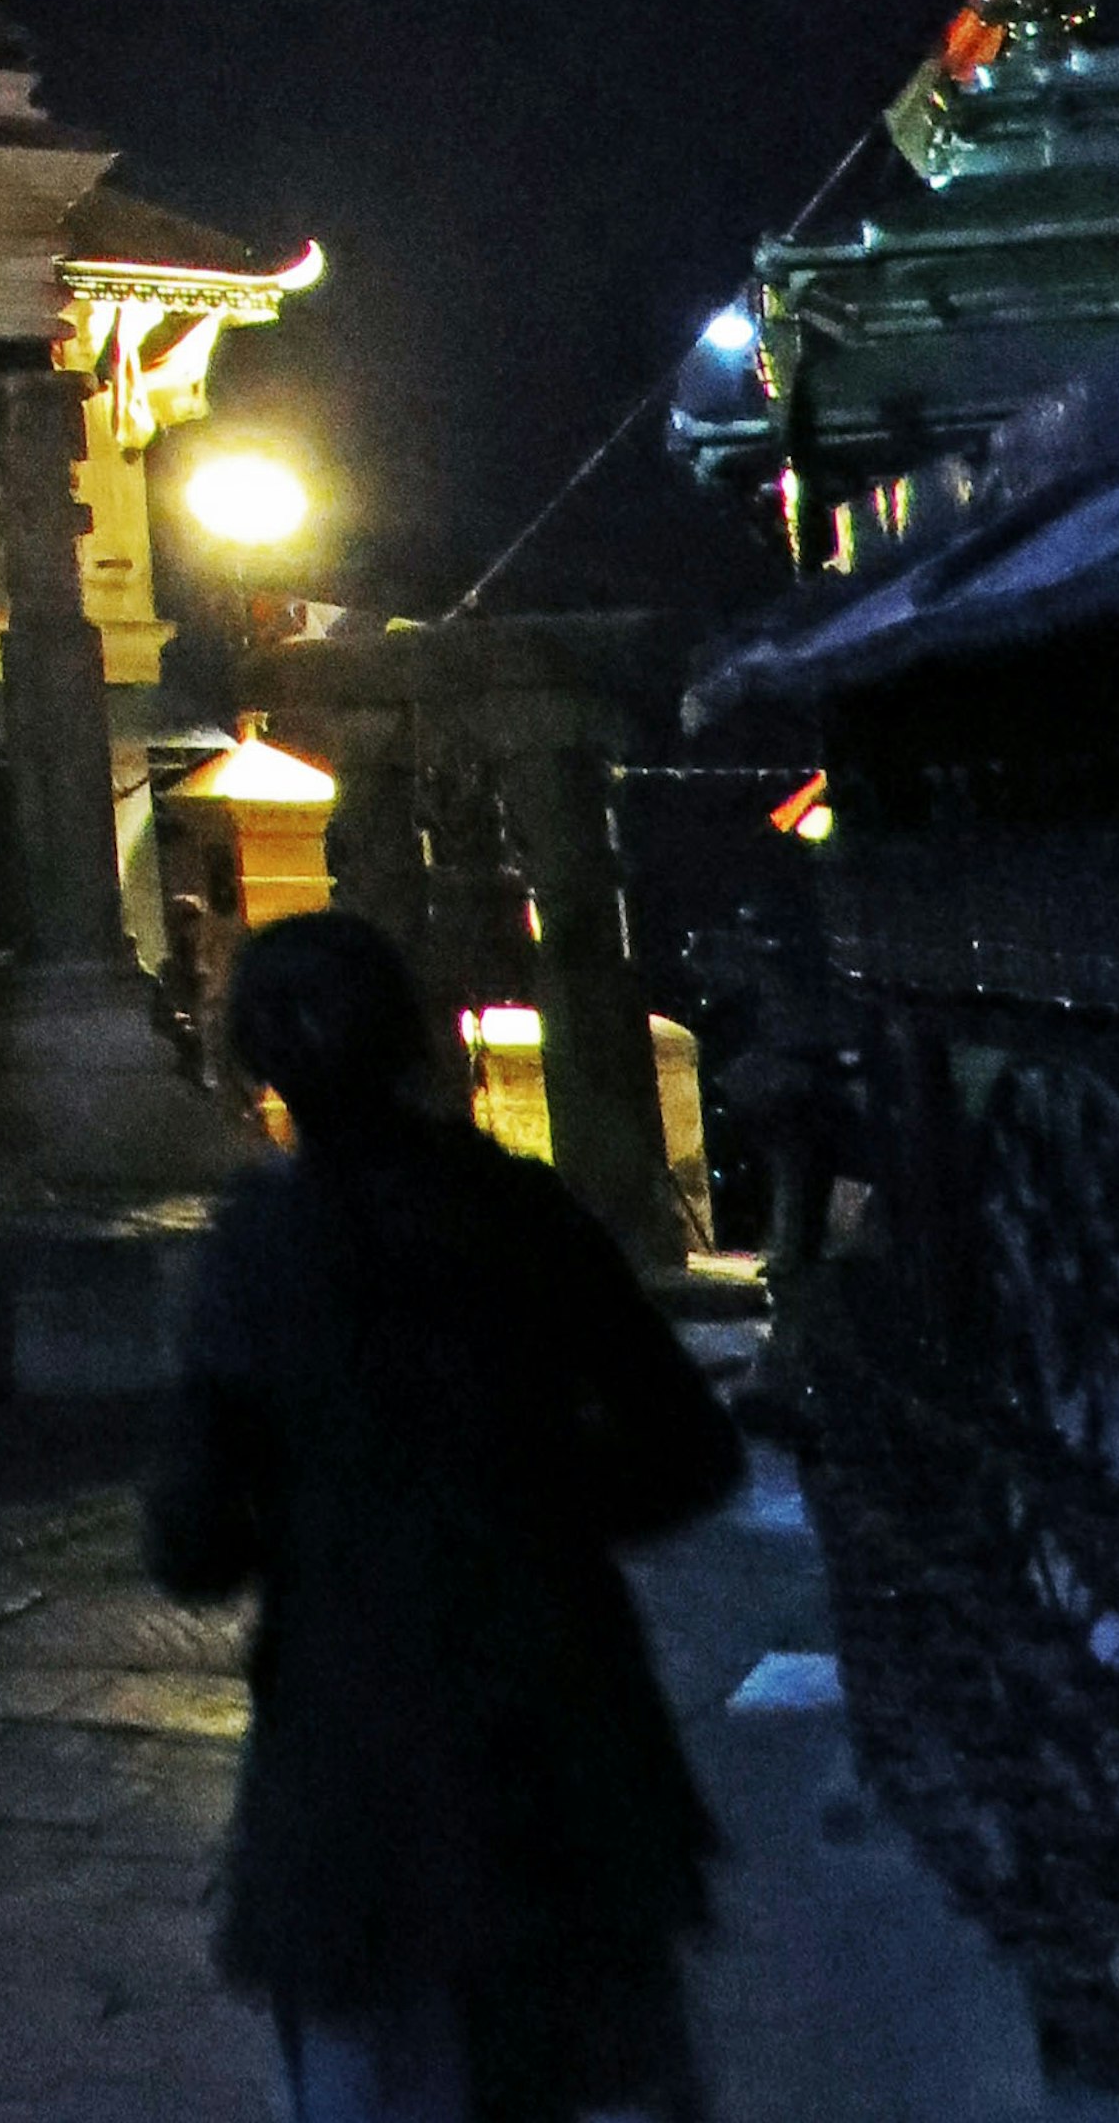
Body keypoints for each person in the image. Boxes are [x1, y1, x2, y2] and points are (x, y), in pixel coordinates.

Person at [146, 908, 745, 2123]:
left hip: (355, 1769)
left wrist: (323, 1524)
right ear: (412, 1042)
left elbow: (192, 1542)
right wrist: (533, 1513)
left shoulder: (256, 1251)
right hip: (561, 1734)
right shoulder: (522, 1210)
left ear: (262, 1066)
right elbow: (688, 1446)